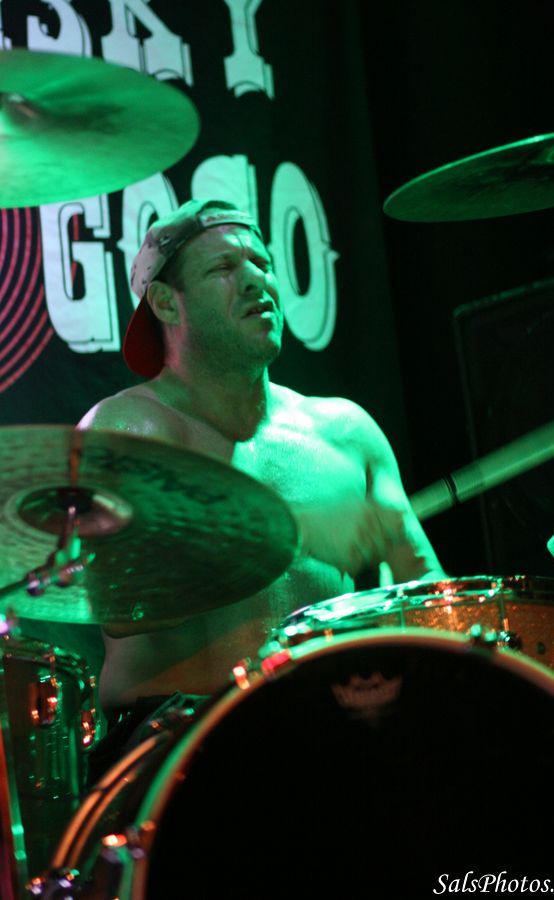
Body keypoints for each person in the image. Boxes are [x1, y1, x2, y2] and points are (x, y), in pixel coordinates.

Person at [78, 198, 445, 779]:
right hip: (179, 750)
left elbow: (427, 593)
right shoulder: (128, 428)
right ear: (166, 302)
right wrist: (291, 532)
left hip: (329, 729)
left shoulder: (345, 432)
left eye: (262, 263)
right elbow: (126, 604)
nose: (256, 280)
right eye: (224, 268)